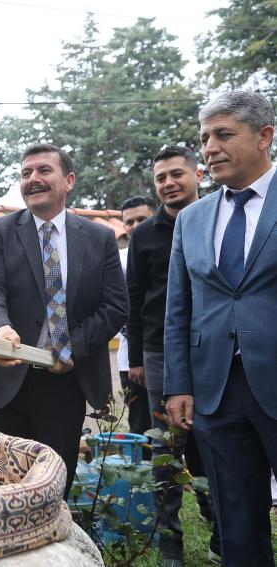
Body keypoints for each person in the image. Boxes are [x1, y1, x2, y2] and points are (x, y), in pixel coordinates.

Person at [0, 143, 128, 499]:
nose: (33, 179)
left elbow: (115, 307)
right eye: (26, 173)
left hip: (64, 384)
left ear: (68, 180)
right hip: (2, 382)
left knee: (53, 488)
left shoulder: (99, 239)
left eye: (43, 171)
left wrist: (74, 345)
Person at [165, 90, 277, 567]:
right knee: (236, 519)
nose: (209, 148)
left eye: (223, 134)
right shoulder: (191, 219)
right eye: (205, 137)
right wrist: (179, 385)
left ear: (265, 137)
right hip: (214, 392)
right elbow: (177, 310)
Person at [126, 146, 219, 566]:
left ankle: (218, 526)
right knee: (165, 447)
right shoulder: (144, 234)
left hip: (213, 347)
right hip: (159, 353)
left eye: (176, 174)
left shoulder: (216, 218)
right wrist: (137, 360)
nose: (168, 183)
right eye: (161, 177)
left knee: (214, 441)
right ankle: (169, 543)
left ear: (197, 175)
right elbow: (133, 300)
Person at [118, 196, 154, 439]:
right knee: (140, 426)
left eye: (142, 219)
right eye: (129, 221)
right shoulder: (117, 258)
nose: (135, 225)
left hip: (166, 354)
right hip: (129, 359)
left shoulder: (172, 248)